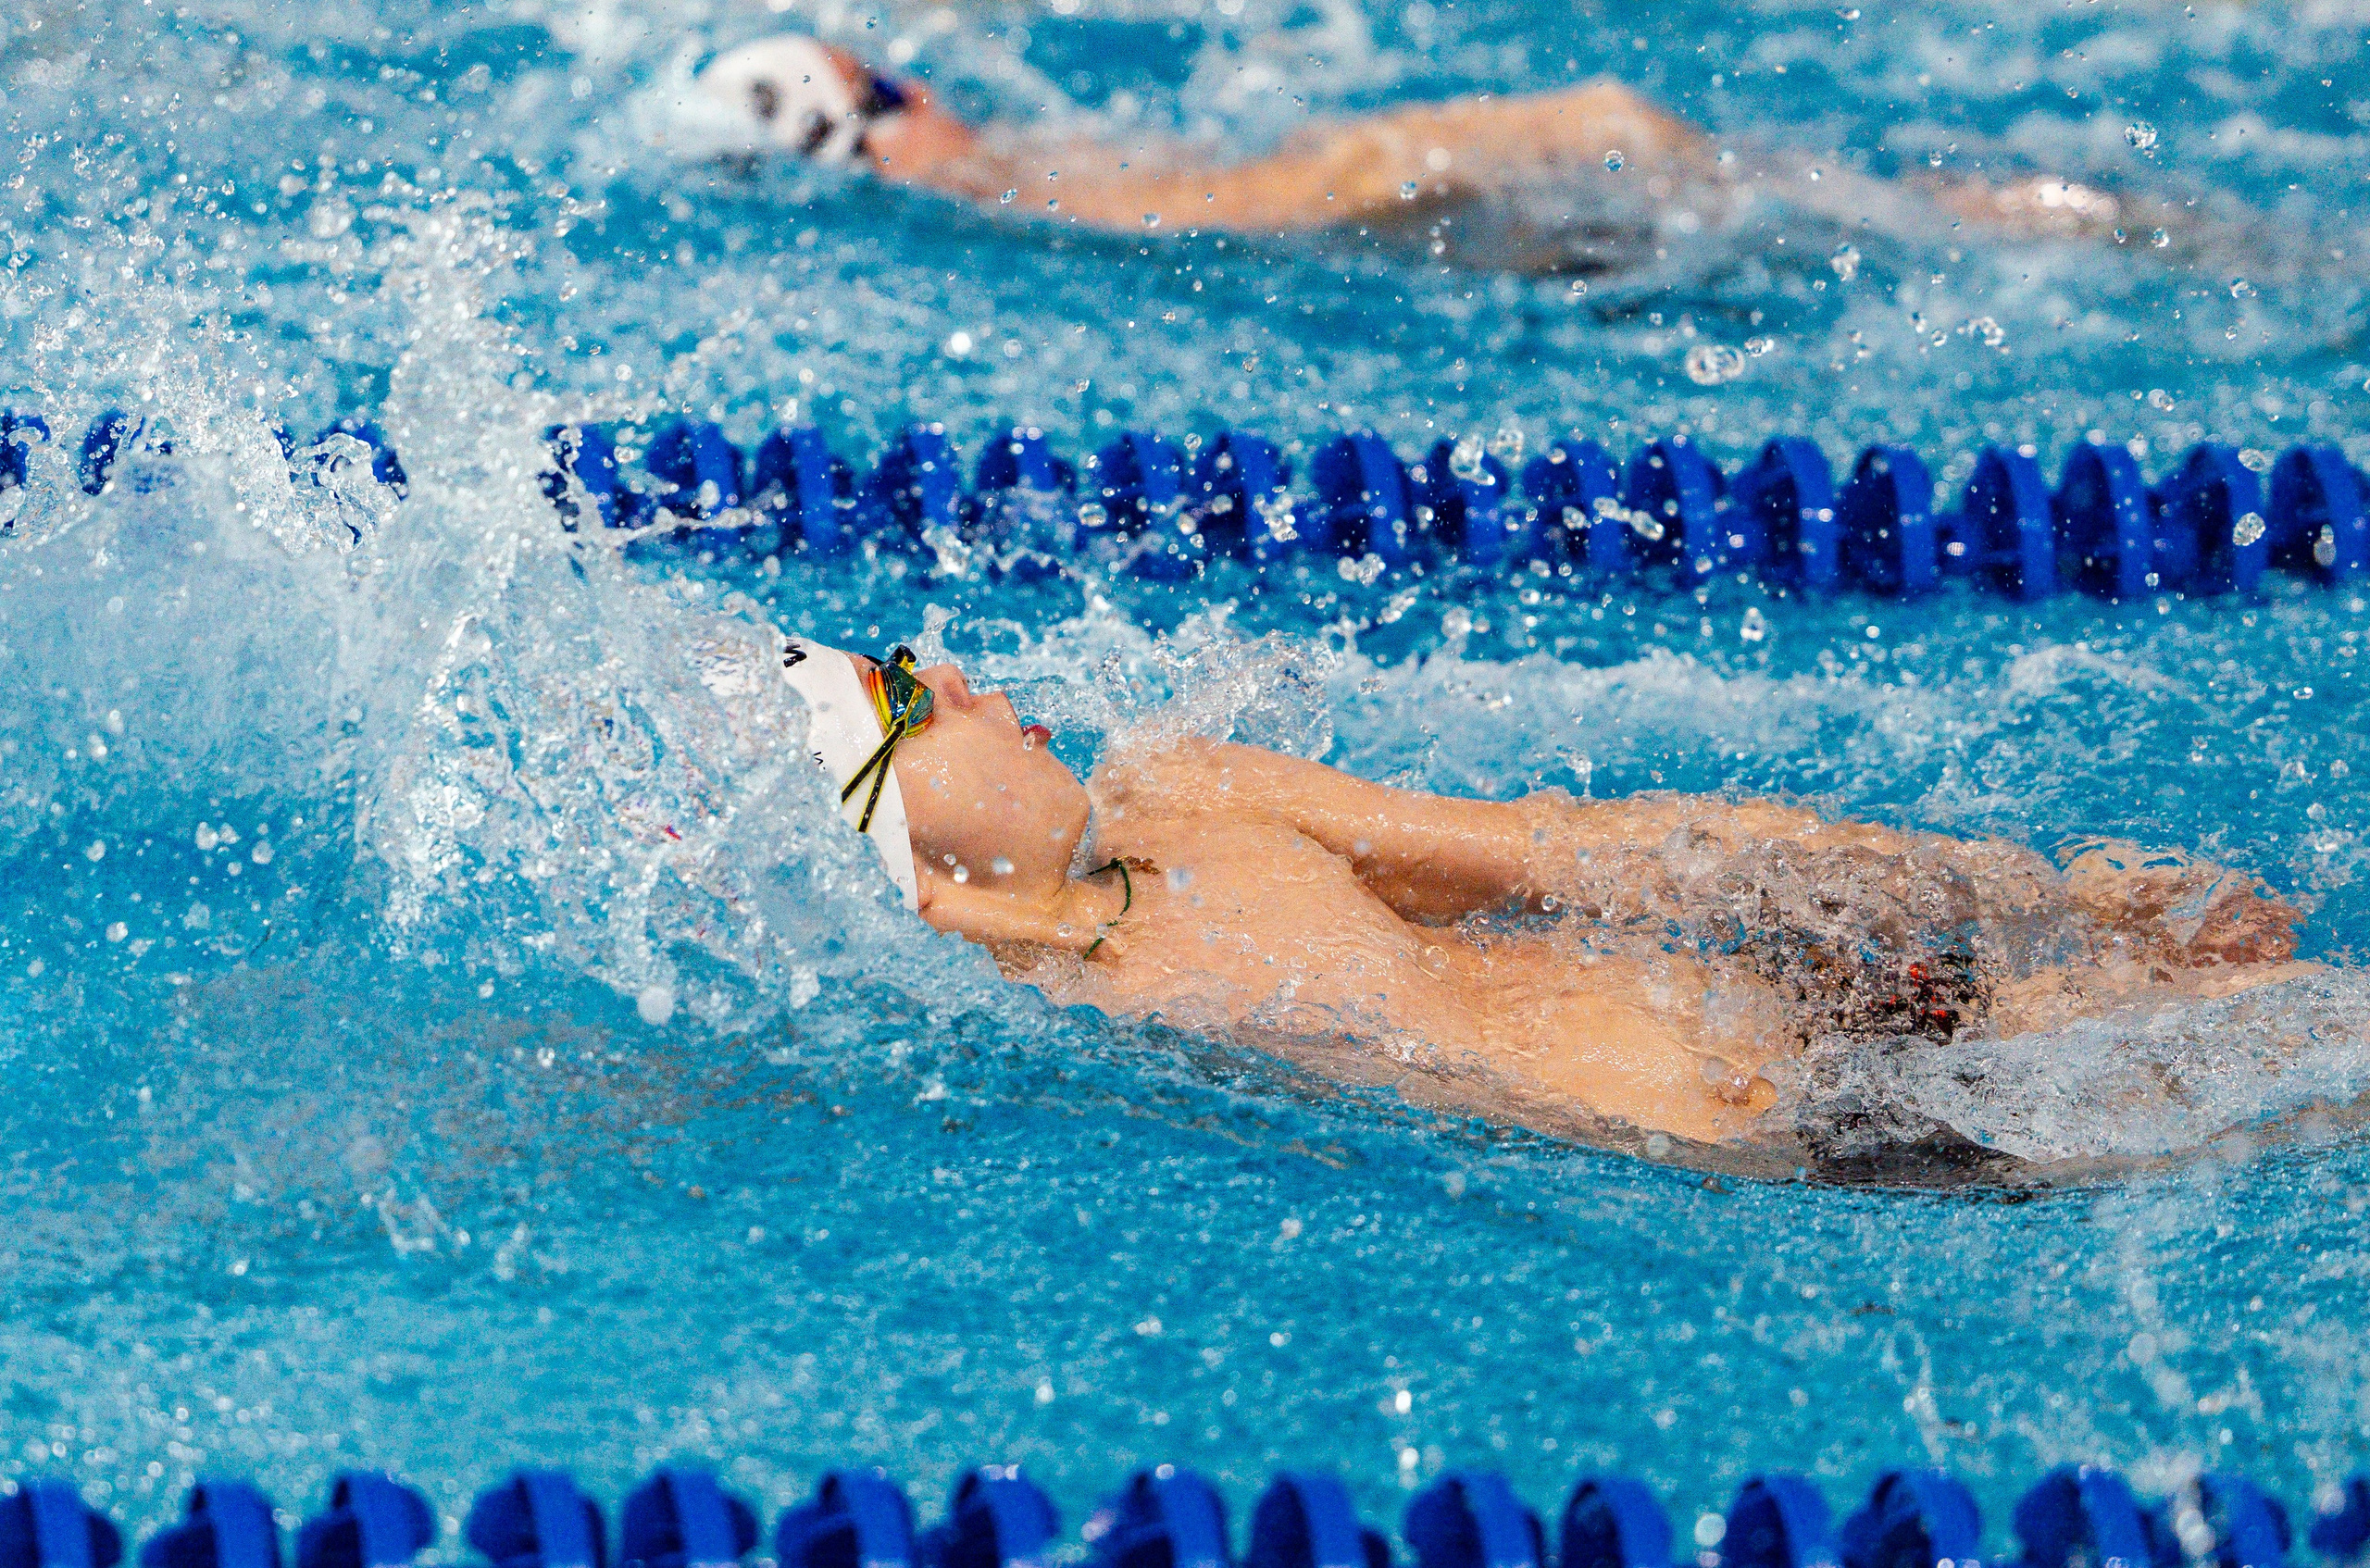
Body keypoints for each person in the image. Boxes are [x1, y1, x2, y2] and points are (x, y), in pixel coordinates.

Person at [781, 635, 2305, 1154]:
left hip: (1837, 1006)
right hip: (1853, 1141)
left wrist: (2047, 901)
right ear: (898, 847)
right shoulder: (1051, 1027)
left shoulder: (1193, 796)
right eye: (905, 697)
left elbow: (1603, 850)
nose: (958, 675)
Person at [687, 33, 2146, 272]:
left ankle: (2099, 228)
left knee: (1877, 223)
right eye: (895, 82)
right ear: (875, 128)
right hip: (1498, 165)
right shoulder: (1001, 181)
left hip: (1486, 178)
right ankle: (2112, 229)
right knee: (1896, 219)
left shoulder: (1020, 180)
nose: (933, 81)